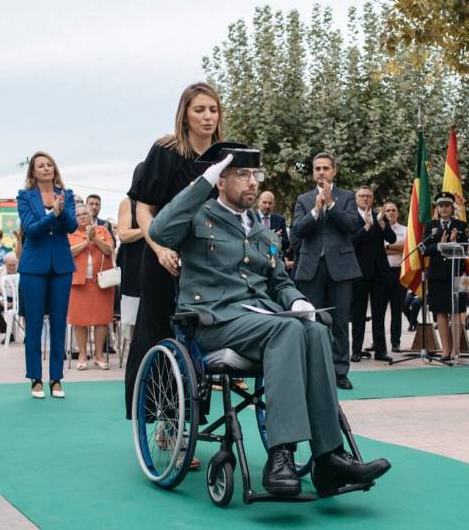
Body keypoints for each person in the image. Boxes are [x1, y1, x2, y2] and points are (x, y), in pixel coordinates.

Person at [148, 145, 391, 497]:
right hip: (215, 321)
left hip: (261, 321)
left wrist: (301, 301)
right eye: (242, 175)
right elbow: (159, 229)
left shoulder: (263, 232)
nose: (252, 182)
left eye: (255, 176)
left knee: (315, 328)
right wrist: (205, 179)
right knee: (287, 328)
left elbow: (279, 283)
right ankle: (282, 455)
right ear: (221, 181)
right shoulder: (198, 216)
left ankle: (329, 459)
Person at [123, 81, 223, 419]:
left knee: (201, 340)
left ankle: (192, 422)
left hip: (207, 264)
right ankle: (164, 421)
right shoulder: (165, 152)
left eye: (212, 109)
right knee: (160, 335)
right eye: (199, 110)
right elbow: (143, 209)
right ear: (185, 115)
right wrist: (158, 248)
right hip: (163, 260)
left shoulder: (225, 156)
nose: (207, 116)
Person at [292, 153, 360, 389]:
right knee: (312, 321)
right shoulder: (303, 199)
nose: (321, 172)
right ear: (313, 172)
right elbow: (298, 230)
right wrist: (315, 211)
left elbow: (352, 226)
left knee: (340, 321)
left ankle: (340, 371)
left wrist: (330, 205)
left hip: (341, 268)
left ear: (334, 172)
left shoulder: (347, 197)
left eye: (325, 168)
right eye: (317, 168)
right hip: (311, 268)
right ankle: (313, 371)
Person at [17, 151, 77, 399]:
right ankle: (35, 379)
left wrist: (61, 212)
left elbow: (72, 226)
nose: (46, 168)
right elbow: (30, 229)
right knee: (33, 324)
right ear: (33, 171)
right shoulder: (24, 196)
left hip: (61, 265)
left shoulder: (67, 194)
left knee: (59, 323)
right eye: (40, 165)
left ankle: (56, 379)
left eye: (49, 164)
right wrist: (52, 215)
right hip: (33, 266)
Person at [350, 186, 397, 363]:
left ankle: (380, 350)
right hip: (359, 272)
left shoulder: (380, 216)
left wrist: (382, 224)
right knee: (358, 312)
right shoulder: (351, 217)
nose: (365, 199)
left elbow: (392, 239)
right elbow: (351, 242)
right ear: (356, 199)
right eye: (362, 196)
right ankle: (356, 350)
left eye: (368, 196)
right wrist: (367, 227)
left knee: (379, 313)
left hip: (379, 272)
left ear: (373, 198)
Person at [421, 192, 468, 360]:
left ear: (452, 207)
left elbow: (468, 248)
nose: (444, 208)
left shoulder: (461, 225)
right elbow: (423, 249)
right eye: (441, 205)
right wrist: (439, 245)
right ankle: (445, 350)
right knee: (440, 312)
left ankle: (457, 350)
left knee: (457, 311)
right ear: (437, 208)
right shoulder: (430, 225)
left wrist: (455, 242)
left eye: (447, 205)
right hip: (437, 275)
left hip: (458, 274)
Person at [67, 203, 115, 370]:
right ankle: (82, 354)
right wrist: (85, 242)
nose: (82, 216)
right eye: (79, 214)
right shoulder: (70, 233)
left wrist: (94, 239)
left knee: (101, 320)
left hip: (101, 282)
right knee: (79, 321)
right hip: (78, 282)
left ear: (91, 215)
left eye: (85, 213)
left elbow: (109, 250)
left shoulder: (102, 230)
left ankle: (99, 355)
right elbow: (67, 252)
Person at [117, 164, 147, 358]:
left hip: (157, 261)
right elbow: (123, 234)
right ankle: (136, 354)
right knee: (135, 313)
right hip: (134, 263)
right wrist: (149, 228)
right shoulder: (129, 202)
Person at [382, 202, 407, 352]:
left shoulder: (406, 230)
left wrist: (386, 247)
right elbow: (377, 250)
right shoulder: (379, 229)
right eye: (388, 211)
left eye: (393, 210)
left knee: (397, 310)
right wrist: (394, 247)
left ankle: (395, 342)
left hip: (399, 273)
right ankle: (378, 342)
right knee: (380, 310)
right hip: (382, 273)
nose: (391, 213)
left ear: (397, 213)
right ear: (383, 214)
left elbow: (405, 248)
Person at [257, 190, 292, 267]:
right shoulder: (251, 218)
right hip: (257, 262)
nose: (267, 206)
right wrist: (271, 237)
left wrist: (278, 238)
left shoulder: (280, 220)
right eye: (264, 202)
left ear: (274, 204)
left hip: (276, 263)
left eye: (270, 203)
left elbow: (286, 244)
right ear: (258, 202)